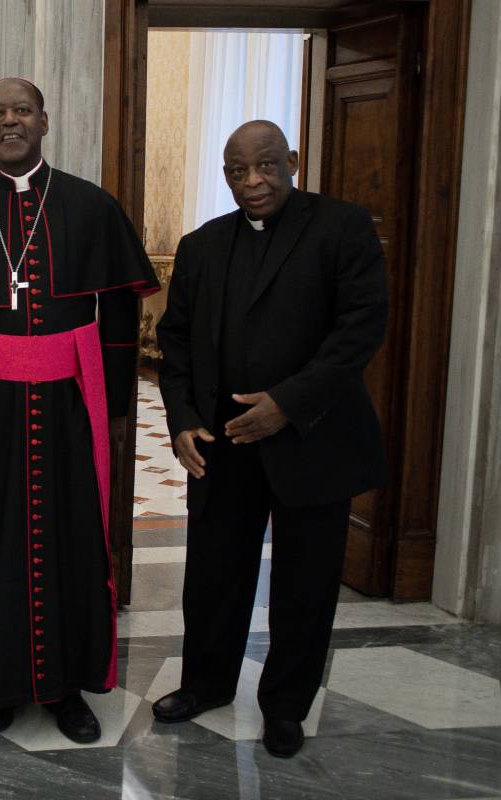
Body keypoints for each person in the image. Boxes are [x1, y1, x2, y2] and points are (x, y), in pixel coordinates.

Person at [0, 78, 158, 743]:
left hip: (69, 403)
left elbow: (119, 315)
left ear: (44, 122)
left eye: (22, 110)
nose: (9, 121)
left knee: (71, 537)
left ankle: (66, 689)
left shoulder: (91, 207)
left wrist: (115, 409)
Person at [153, 120, 388, 758]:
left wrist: (287, 404)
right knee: (213, 574)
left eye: (265, 166)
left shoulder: (342, 227)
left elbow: (361, 329)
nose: (252, 181)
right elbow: (175, 342)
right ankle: (205, 684)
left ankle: (285, 707)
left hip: (313, 438)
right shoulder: (202, 245)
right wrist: (183, 420)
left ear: (293, 161)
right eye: (237, 171)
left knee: (305, 583)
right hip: (223, 442)